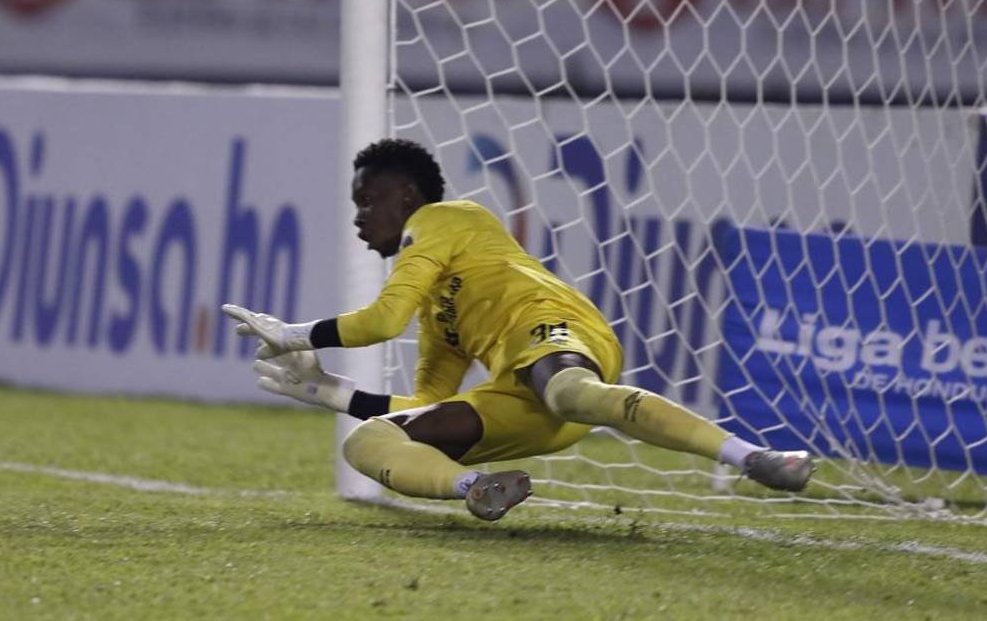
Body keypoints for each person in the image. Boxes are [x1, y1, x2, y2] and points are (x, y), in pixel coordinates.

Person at [223, 138, 813, 521]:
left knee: (565, 390)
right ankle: (477, 489)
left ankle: (750, 456)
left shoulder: (445, 219)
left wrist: (294, 333)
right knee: (370, 441)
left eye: (368, 200)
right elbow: (429, 404)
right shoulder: (437, 315)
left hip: (557, 335)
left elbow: (382, 320)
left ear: (406, 197)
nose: (358, 215)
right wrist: (328, 392)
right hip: (526, 402)